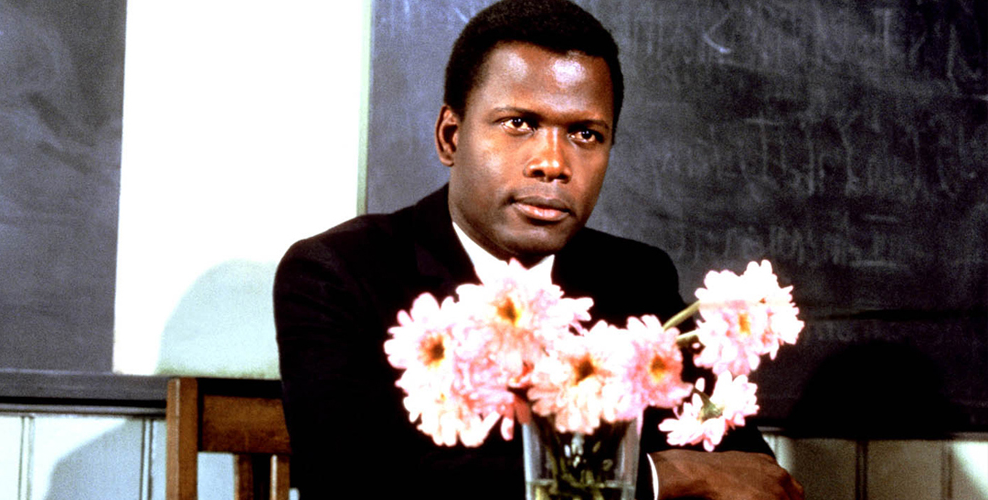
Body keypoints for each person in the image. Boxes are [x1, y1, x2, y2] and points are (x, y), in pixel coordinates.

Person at [273, 0, 804, 498]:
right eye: (520, 124)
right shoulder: (338, 274)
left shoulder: (635, 278)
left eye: (585, 134)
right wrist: (657, 477)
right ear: (450, 136)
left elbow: (745, 474)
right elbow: (351, 481)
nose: (553, 163)